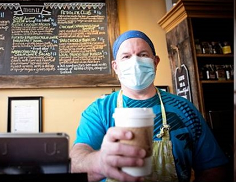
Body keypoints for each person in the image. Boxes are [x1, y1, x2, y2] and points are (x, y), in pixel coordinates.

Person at [70, 30, 229, 182]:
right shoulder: (99, 110)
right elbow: (75, 164)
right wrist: (99, 162)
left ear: (155, 61)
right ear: (116, 67)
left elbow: (214, 169)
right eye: (126, 57)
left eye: (143, 55)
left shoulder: (185, 109)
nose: (135, 62)